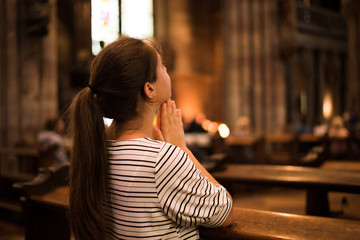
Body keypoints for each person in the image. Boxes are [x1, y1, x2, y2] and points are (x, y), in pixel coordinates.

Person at [68, 36, 233, 240]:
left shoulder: (100, 147)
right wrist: (182, 149)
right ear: (150, 89)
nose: (167, 71)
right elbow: (225, 211)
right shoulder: (162, 160)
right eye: (162, 66)